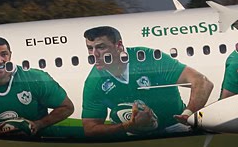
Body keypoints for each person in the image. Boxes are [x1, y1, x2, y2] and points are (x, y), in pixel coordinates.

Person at [81, 25, 213, 137]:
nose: (94, 54)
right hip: (136, 137)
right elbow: (90, 128)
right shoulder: (94, 82)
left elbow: (203, 83)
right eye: (90, 48)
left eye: (101, 47)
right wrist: (127, 125)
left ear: (119, 46)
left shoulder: (148, 58)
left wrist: (187, 115)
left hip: (177, 128)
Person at [0, 36, 75, 137]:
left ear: (10, 55)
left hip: (42, 144)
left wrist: (38, 124)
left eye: (4, 54)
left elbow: (67, 107)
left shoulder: (36, 78)